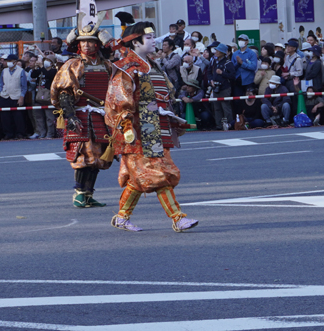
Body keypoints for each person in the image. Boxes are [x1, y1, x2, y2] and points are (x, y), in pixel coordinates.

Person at [105, 21, 198, 233]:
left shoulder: (152, 65)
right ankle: (177, 218)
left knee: (140, 177)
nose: (154, 40)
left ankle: (122, 217)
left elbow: (165, 96)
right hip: (138, 130)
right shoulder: (126, 68)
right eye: (149, 37)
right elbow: (118, 101)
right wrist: (127, 126)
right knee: (158, 173)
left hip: (155, 127)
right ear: (135, 42)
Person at [50, 19, 114, 208]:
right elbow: (64, 92)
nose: (86, 45)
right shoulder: (73, 64)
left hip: (102, 116)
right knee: (83, 155)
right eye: (83, 41)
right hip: (81, 115)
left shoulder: (108, 66)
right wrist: (70, 116)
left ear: (97, 44)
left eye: (91, 41)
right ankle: (79, 193)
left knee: (99, 156)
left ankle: (88, 193)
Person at [0, 54, 28, 140]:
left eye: (10, 61)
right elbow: (1, 83)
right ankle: (8, 133)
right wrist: (1, 91)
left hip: (16, 96)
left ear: (15, 62)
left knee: (18, 117)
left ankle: (20, 133)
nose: (8, 63)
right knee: (5, 117)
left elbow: (24, 86)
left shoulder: (21, 71)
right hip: (5, 96)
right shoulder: (4, 71)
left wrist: (21, 97)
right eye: (7, 61)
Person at [208, 43, 236, 131]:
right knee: (216, 107)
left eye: (218, 51)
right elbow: (209, 72)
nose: (216, 52)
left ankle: (229, 124)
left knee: (225, 106)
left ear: (222, 52)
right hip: (215, 87)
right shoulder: (213, 61)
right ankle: (218, 125)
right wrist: (211, 80)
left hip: (225, 87)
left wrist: (222, 73)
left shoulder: (228, 63)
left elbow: (232, 76)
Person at [30, 54, 57, 139]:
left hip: (48, 96)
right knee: (39, 116)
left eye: (48, 61)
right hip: (39, 95)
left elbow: (49, 75)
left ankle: (50, 133)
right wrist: (36, 67)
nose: (45, 62)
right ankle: (42, 132)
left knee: (49, 117)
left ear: (52, 63)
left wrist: (42, 67)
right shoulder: (41, 70)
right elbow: (33, 75)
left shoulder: (54, 71)